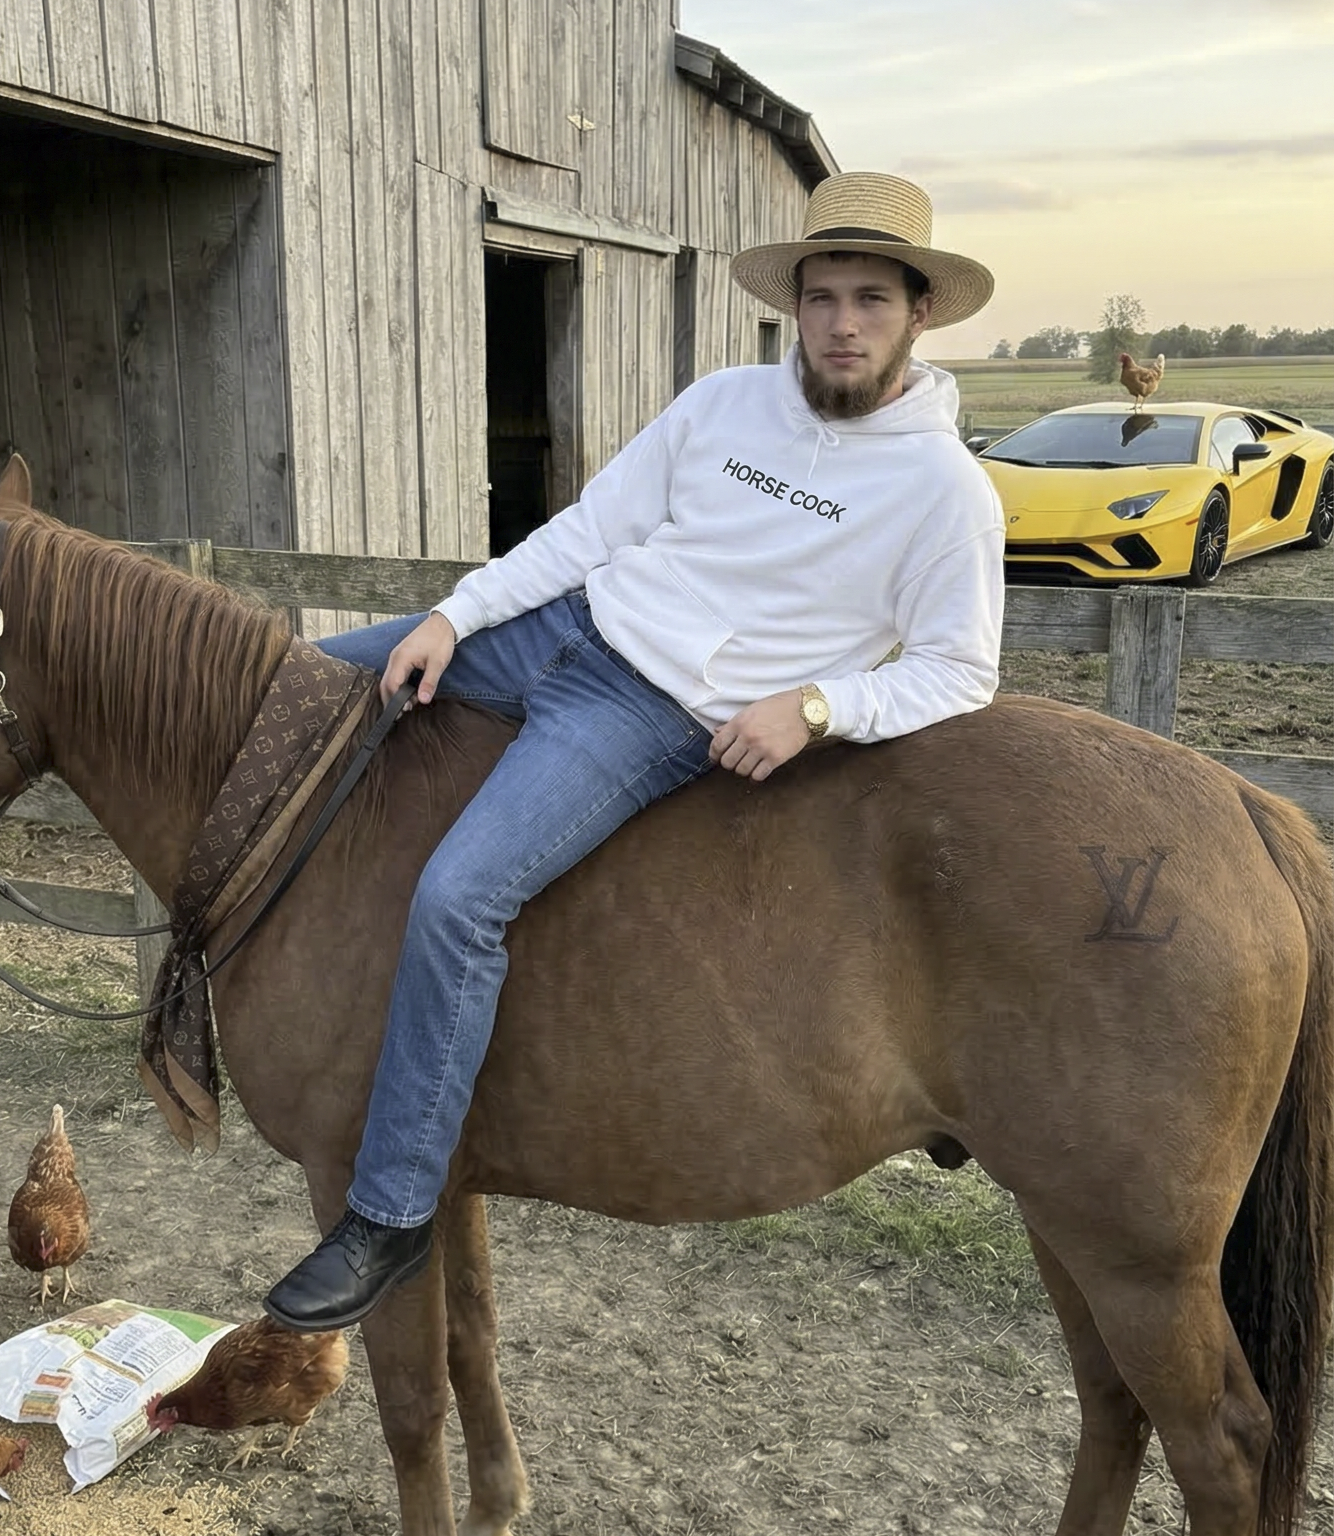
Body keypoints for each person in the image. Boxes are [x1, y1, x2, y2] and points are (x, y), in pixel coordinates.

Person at [264, 171, 1005, 1332]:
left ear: (919, 313)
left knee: (459, 895)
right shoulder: (725, 406)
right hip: (559, 628)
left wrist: (812, 707)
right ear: (795, 308)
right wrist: (457, 617)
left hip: (644, 713)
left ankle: (392, 1211)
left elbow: (961, 669)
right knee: (286, 687)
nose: (843, 324)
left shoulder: (942, 490)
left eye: (870, 299)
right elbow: (592, 528)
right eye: (822, 298)